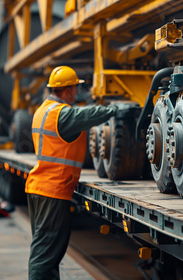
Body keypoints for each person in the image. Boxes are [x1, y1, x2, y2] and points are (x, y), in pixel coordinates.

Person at [25, 66, 117, 279]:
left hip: (40, 186)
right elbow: (86, 115)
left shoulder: (43, 110)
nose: (77, 93)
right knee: (45, 255)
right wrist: (114, 110)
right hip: (53, 191)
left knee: (46, 250)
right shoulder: (62, 114)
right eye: (75, 88)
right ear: (66, 90)